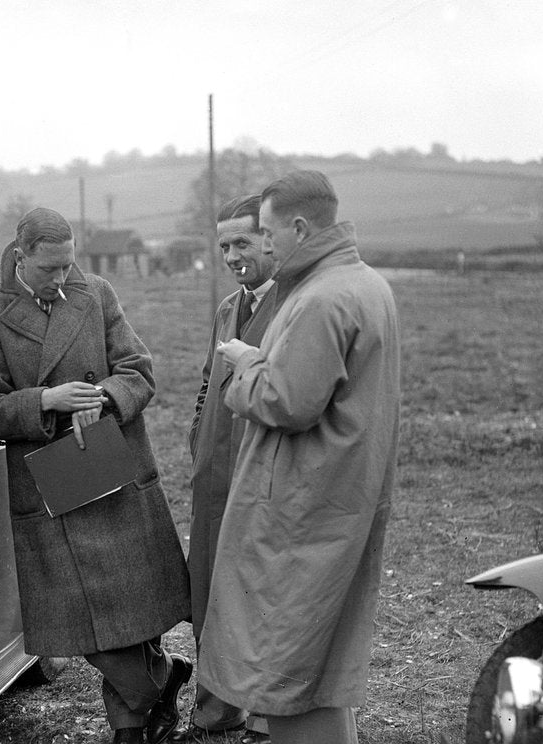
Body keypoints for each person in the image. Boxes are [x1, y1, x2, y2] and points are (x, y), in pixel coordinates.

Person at [0, 207, 192, 744]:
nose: (62, 279)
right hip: (47, 485)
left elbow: (138, 369)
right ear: (20, 258)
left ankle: (129, 727)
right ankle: (160, 681)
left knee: (129, 608)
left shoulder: (97, 293)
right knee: (77, 619)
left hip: (110, 466)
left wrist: (106, 396)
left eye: (69, 265)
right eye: (49, 270)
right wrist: (47, 399)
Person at [199, 171, 401, 744]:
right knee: (320, 665)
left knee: (287, 664)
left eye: (265, 233)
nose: (261, 245)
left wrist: (243, 368)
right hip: (339, 492)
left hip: (301, 505)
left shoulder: (320, 298)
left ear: (299, 227)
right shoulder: (363, 284)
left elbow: (287, 402)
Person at [172, 194, 276, 744]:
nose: (232, 255)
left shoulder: (295, 305)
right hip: (213, 476)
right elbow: (208, 385)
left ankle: (264, 717)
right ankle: (215, 711)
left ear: (272, 238)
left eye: (243, 242)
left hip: (263, 478)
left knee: (258, 594)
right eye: (223, 246)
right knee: (210, 589)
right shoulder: (227, 307)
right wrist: (198, 436)